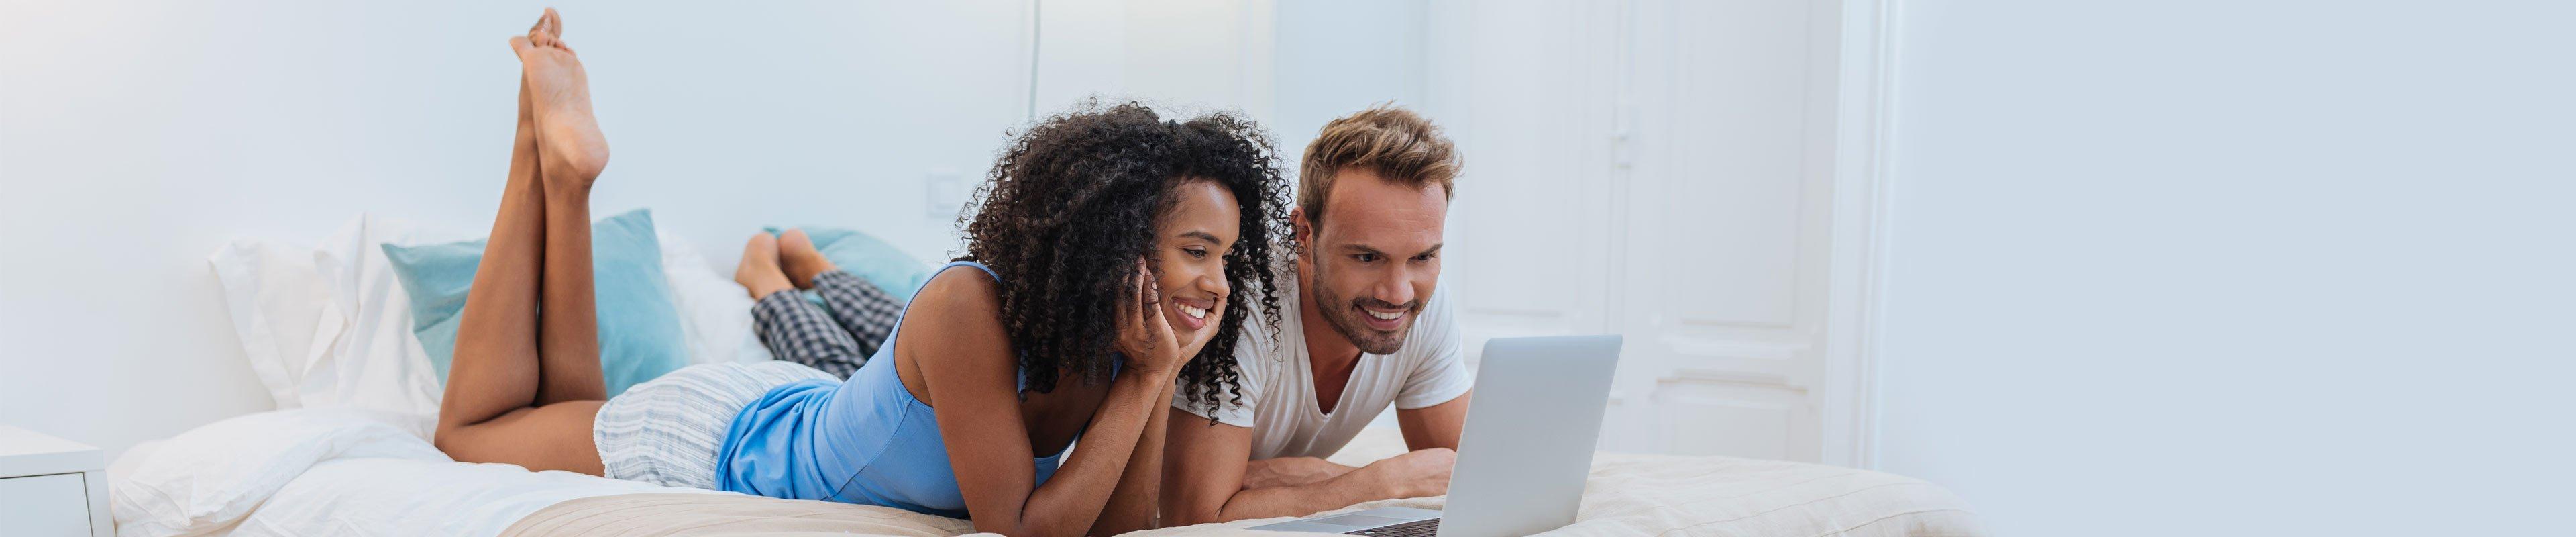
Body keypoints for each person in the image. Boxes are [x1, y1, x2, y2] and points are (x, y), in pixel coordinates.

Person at [429, 10, 1295, 536]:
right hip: (727, 445)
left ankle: (561, 176)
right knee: (474, 431)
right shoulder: (969, 304)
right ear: (1115, 239)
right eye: (1195, 252)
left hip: (796, 409)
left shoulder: (1118, 345)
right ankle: (539, 163)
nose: (1217, 284)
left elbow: (1121, 526)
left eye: (1225, 257)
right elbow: (1024, 530)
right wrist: (1147, 382)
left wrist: (1154, 377)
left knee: (568, 403)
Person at [1160, 105, 1472, 525]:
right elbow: (1194, 516)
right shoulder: (1244, 304)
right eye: (1367, 256)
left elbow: (1470, 470)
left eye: (1422, 257)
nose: (1398, 293)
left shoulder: (1424, 304)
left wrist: (1323, 477)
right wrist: (1377, 483)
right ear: (1304, 234)